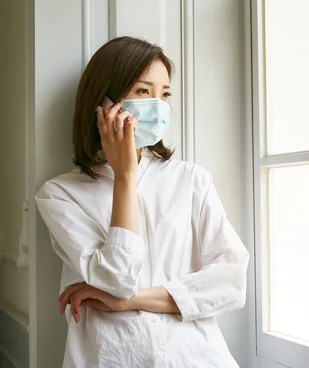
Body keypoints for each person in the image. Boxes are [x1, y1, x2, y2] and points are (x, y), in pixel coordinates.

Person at [35, 36, 249, 368]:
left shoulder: (192, 180)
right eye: (143, 91)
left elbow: (231, 281)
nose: (158, 105)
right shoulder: (60, 195)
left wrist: (130, 302)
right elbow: (116, 279)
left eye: (164, 94)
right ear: (101, 103)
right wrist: (125, 177)